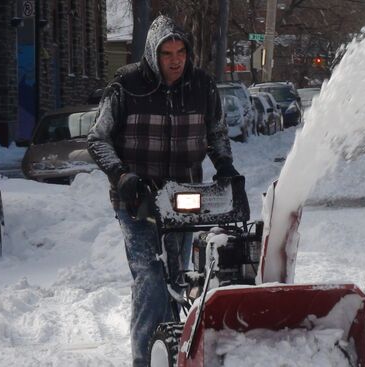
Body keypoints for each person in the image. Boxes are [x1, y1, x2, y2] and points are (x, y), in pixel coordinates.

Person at [87, 15, 241, 366]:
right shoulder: (127, 85)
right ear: (153, 56)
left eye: (181, 51)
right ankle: (144, 359)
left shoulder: (201, 86)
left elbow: (216, 134)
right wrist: (121, 175)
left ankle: (173, 352)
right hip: (137, 199)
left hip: (182, 198)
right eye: (167, 53)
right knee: (151, 277)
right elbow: (97, 139)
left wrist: (226, 168)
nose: (175, 60)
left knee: (180, 275)